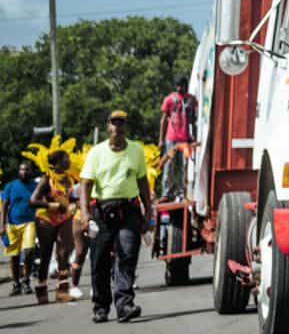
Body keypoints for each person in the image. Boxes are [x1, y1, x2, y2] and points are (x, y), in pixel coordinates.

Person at [79, 110, 152, 323]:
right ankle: (101, 307)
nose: (118, 128)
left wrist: (149, 209)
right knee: (99, 260)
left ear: (126, 128)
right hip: (101, 212)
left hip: (129, 210)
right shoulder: (96, 153)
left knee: (127, 255)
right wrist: (84, 213)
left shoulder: (136, 151)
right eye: (114, 124)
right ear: (108, 127)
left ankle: (124, 304)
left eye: (122, 124)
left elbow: (142, 181)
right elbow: (85, 184)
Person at [29, 149, 80, 303]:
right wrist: (54, 205)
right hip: (46, 219)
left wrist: (74, 205)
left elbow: (71, 198)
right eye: (66, 159)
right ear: (57, 163)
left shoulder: (70, 179)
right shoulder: (47, 179)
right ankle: (42, 289)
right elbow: (33, 201)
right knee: (45, 254)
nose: (69, 161)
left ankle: (62, 291)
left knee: (64, 253)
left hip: (64, 218)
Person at [3, 160, 40, 298]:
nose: (24, 172)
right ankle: (16, 283)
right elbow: (4, 206)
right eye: (22, 170)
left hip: (29, 222)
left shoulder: (35, 186)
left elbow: (42, 200)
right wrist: (2, 225)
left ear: (30, 172)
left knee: (29, 251)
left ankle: (26, 281)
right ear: (18, 171)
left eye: (27, 170)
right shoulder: (10, 186)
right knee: (14, 256)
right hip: (12, 224)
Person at [157, 77, 197, 200]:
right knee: (169, 164)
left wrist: (195, 136)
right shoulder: (169, 99)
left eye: (182, 85)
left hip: (185, 139)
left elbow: (194, 120)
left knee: (183, 166)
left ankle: (181, 191)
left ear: (186, 85)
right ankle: (166, 192)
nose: (180, 88)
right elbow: (163, 119)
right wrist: (161, 139)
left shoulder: (191, 100)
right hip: (171, 138)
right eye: (178, 85)